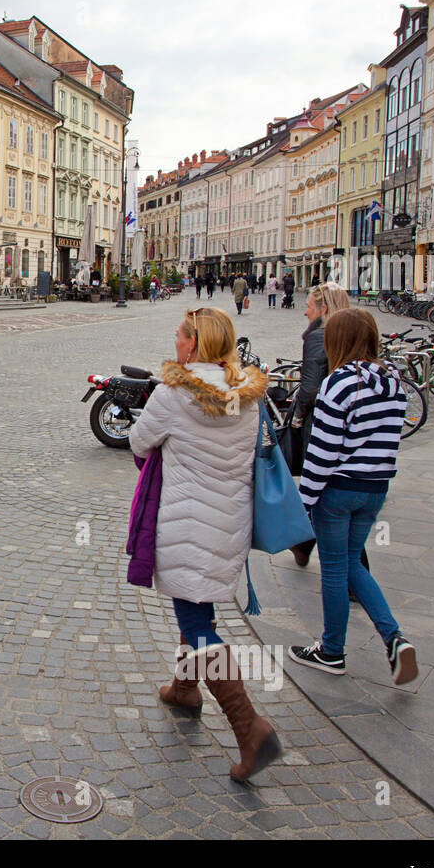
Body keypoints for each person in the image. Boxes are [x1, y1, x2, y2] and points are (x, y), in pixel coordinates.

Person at [129, 306, 280, 782]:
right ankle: (184, 688)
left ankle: (248, 727)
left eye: (179, 335)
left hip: (187, 522)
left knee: (197, 626)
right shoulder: (247, 397)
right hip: (229, 523)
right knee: (198, 607)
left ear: (193, 344)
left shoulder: (173, 394)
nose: (174, 341)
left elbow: (137, 442)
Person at [289, 308, 418, 686]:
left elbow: (323, 451)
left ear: (337, 341)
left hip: (338, 489)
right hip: (375, 487)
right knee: (350, 563)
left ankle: (332, 650)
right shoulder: (393, 380)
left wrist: (306, 498)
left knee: (333, 567)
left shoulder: (339, 383)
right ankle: (393, 637)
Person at [287, 283, 353, 567]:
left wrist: (297, 417)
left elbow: (310, 386)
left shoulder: (318, 336)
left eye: (309, 306)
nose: (305, 311)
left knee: (320, 486)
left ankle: (309, 545)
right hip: (349, 420)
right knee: (331, 488)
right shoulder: (350, 332)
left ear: (323, 309)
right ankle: (303, 543)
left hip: (321, 420)